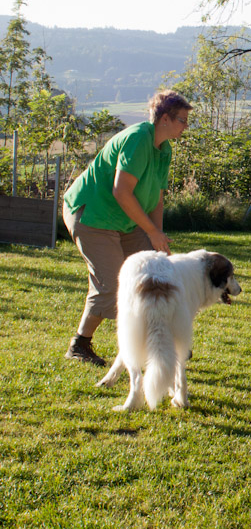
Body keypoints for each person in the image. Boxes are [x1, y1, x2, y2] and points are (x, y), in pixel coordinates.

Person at [63, 89, 193, 365]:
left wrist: (158, 241)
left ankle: (163, 341)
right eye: (182, 120)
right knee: (111, 285)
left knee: (153, 272)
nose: (186, 126)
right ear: (165, 119)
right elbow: (122, 191)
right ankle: (79, 345)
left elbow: (157, 198)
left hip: (126, 219)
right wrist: (151, 232)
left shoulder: (164, 150)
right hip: (92, 216)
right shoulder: (137, 139)